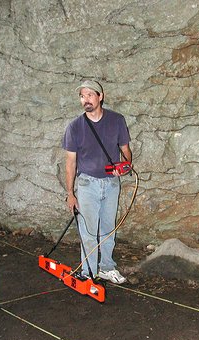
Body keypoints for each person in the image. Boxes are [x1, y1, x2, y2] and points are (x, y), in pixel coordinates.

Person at [62, 80, 132, 284]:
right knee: (88, 232)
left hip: (111, 183)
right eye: (82, 96)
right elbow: (70, 162)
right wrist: (70, 193)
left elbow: (125, 149)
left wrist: (126, 165)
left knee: (108, 228)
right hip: (87, 185)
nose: (86, 100)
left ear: (100, 96)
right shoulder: (75, 127)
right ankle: (88, 272)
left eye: (90, 95)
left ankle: (107, 267)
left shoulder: (117, 120)